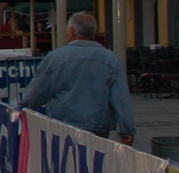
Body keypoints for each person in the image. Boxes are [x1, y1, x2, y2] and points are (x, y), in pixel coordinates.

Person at [20, 12, 136, 144]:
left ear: (71, 31)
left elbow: (37, 92)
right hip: (98, 127)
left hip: (62, 126)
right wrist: (127, 129)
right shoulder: (111, 59)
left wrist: (24, 109)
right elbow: (121, 98)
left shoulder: (56, 58)